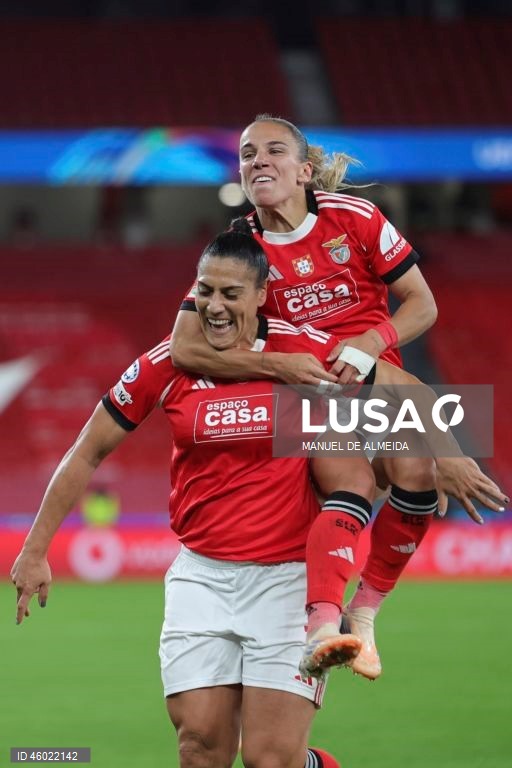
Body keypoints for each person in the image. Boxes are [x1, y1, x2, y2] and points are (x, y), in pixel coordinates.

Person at [169, 115, 509, 681]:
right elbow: (184, 346)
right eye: (247, 154)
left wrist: (374, 340)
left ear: (304, 171)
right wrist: (279, 362)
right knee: (351, 477)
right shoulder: (239, 246)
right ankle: (324, 626)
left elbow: (422, 305)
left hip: (375, 378)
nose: (257, 161)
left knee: (417, 471)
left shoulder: (355, 218)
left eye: (274, 151)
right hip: (308, 390)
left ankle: (364, 615)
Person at [12, 225, 362, 768]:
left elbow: (391, 405)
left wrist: (444, 456)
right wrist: (35, 549)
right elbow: (86, 451)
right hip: (202, 578)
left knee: (271, 760)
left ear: (262, 295)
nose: (214, 307)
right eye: (205, 291)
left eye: (230, 294)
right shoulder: (165, 365)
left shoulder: (304, 358)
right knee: (200, 747)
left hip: (288, 579)